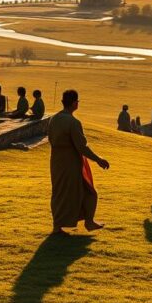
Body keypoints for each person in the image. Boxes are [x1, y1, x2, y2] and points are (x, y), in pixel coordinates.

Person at [48, 89, 110, 235]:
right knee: (88, 191)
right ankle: (85, 222)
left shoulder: (53, 119)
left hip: (57, 162)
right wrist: (98, 159)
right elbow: (82, 146)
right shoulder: (73, 122)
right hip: (71, 163)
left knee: (60, 193)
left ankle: (63, 224)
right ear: (75, 103)